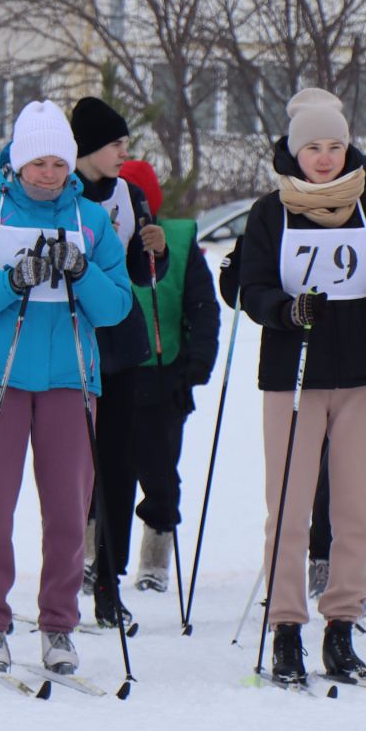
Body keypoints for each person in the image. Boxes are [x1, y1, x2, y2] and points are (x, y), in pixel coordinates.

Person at [0, 101, 133, 678]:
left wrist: (81, 270)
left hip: (71, 379)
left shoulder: (91, 221)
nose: (48, 174)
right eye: (37, 163)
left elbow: (117, 306)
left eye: (57, 163)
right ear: (18, 163)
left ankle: (57, 626)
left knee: (69, 514)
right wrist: (10, 280)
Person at [238, 88, 366, 687]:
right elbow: (253, 287)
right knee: (288, 508)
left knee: (359, 508)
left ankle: (341, 626)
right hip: (294, 376)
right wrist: (285, 310)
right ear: (295, 149)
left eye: (335, 146)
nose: (324, 157)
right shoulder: (272, 211)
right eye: (313, 147)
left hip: (364, 375)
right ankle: (286, 627)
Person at [67, 96, 167, 631]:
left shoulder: (129, 194)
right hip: (67, 343)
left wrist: (156, 250)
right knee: (69, 470)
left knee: (118, 467)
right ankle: (61, 580)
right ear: (86, 149)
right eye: (116, 145)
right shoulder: (62, 191)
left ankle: (109, 581)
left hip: (120, 346)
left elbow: (143, 272)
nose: (124, 153)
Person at [116, 160, 219, 594]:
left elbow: (203, 306)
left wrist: (197, 362)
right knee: (104, 472)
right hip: (111, 373)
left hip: (165, 375)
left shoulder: (178, 238)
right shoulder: (100, 237)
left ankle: (155, 558)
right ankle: (94, 555)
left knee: (160, 471)